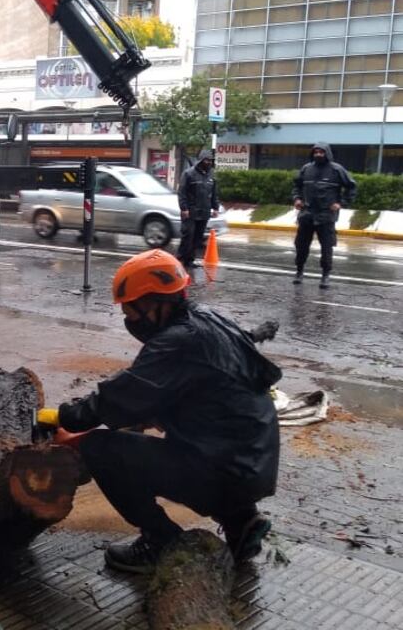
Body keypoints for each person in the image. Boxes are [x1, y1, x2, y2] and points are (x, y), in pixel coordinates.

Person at [37, 249, 281, 574]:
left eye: (131, 310)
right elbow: (169, 399)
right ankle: (243, 522)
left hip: (226, 469)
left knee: (100, 449)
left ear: (155, 302)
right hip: (252, 464)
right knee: (151, 435)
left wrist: (64, 417)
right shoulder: (206, 319)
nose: (129, 320)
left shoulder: (178, 342)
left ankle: (160, 541)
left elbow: (119, 397)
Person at [292, 143, 357, 289]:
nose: (318, 154)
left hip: (326, 216)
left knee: (327, 248)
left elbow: (351, 187)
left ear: (327, 153)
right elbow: (297, 186)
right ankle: (299, 272)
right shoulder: (306, 169)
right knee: (301, 246)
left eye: (321, 152)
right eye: (316, 152)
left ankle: (325, 276)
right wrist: (297, 198)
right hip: (307, 215)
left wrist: (341, 203)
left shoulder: (337, 170)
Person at [176, 149, 220, 268]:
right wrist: (184, 208)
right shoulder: (189, 174)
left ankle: (190, 260)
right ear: (200, 160)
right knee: (188, 235)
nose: (208, 162)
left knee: (198, 237)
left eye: (210, 160)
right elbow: (182, 192)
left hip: (204, 211)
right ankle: (180, 258)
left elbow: (214, 193)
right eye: (206, 160)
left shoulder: (211, 174)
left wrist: (216, 207)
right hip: (190, 211)